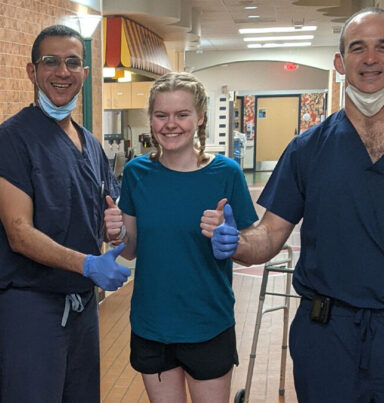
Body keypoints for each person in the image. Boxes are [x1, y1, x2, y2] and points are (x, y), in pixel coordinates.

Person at [209, 7, 384, 403]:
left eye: (381, 47)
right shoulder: (308, 149)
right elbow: (270, 232)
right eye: (358, 48)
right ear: (340, 62)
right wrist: (235, 242)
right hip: (328, 333)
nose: (371, 59)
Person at [0, 25, 130, 402]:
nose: (63, 72)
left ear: (85, 74)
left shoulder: (91, 145)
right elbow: (18, 232)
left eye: (73, 63)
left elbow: (110, 212)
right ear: (32, 71)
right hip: (27, 307)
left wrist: (116, 227)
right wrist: (87, 265)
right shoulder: (12, 139)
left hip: (79, 307)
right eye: (51, 61)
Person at [104, 72, 258, 402]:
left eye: (182, 114)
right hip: (152, 324)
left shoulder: (226, 173)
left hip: (207, 323)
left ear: (200, 117)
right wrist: (116, 233)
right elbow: (131, 251)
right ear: (151, 119)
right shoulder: (136, 174)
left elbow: (248, 250)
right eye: (161, 115)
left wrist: (232, 240)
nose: (170, 124)